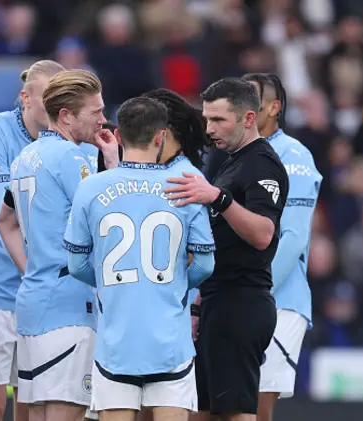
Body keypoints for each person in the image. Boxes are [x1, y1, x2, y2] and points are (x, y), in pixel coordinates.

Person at [64, 96, 215, 421]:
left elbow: (76, 264)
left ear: (118, 137)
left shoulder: (90, 188)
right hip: (170, 342)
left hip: (115, 343)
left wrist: (109, 281)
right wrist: (175, 283)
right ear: (161, 137)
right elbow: (206, 264)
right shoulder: (186, 186)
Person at [0, 69, 119, 421]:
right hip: (69, 305)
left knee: (37, 414)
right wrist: (112, 166)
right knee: (66, 412)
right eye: (94, 112)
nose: (102, 119)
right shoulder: (73, 158)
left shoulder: (24, 157)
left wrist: (33, 268)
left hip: (35, 300)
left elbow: (4, 220)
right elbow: (104, 220)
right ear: (65, 116)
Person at [164, 78, 289, 421]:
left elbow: (264, 234)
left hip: (242, 303)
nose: (209, 129)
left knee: (236, 413)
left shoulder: (263, 164)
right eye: (207, 119)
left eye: (219, 120)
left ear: (249, 119)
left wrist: (218, 198)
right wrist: (199, 307)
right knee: (202, 412)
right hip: (218, 303)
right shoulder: (231, 161)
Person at [0, 59, 64, 421]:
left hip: (43, 298)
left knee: (34, 408)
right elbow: (5, 214)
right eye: (48, 98)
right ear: (25, 97)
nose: (56, 108)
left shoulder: (69, 145)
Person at [241, 73, 322, 421]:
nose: (244, 111)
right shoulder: (233, 153)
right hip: (236, 297)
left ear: (275, 108)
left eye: (252, 103)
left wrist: (257, 291)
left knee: (257, 407)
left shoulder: (294, 156)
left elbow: (293, 238)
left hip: (277, 301)